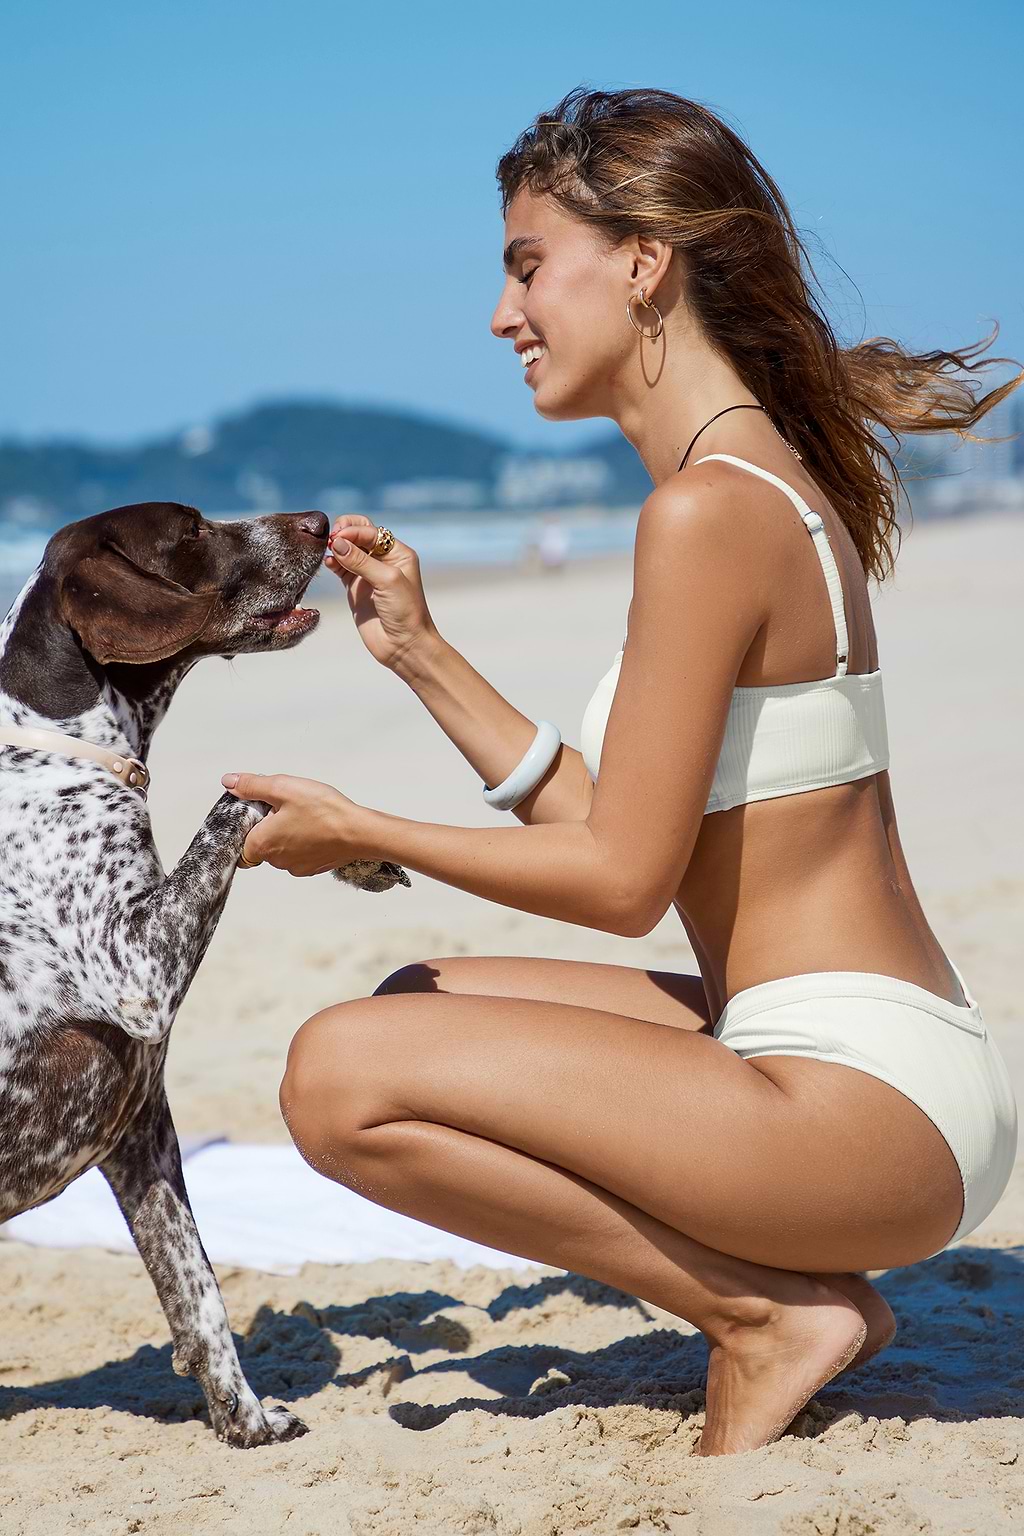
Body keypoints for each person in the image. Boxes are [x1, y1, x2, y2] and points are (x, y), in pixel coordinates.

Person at [220, 87, 1021, 1455]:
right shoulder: (745, 480)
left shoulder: (709, 509)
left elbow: (619, 877)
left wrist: (364, 827)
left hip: (862, 1102)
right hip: (860, 1061)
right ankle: (774, 1300)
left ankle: (764, 1310)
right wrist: (421, 653)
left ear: (644, 263)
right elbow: (618, 817)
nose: (501, 314)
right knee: (418, 1002)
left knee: (339, 1074)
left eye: (528, 266)